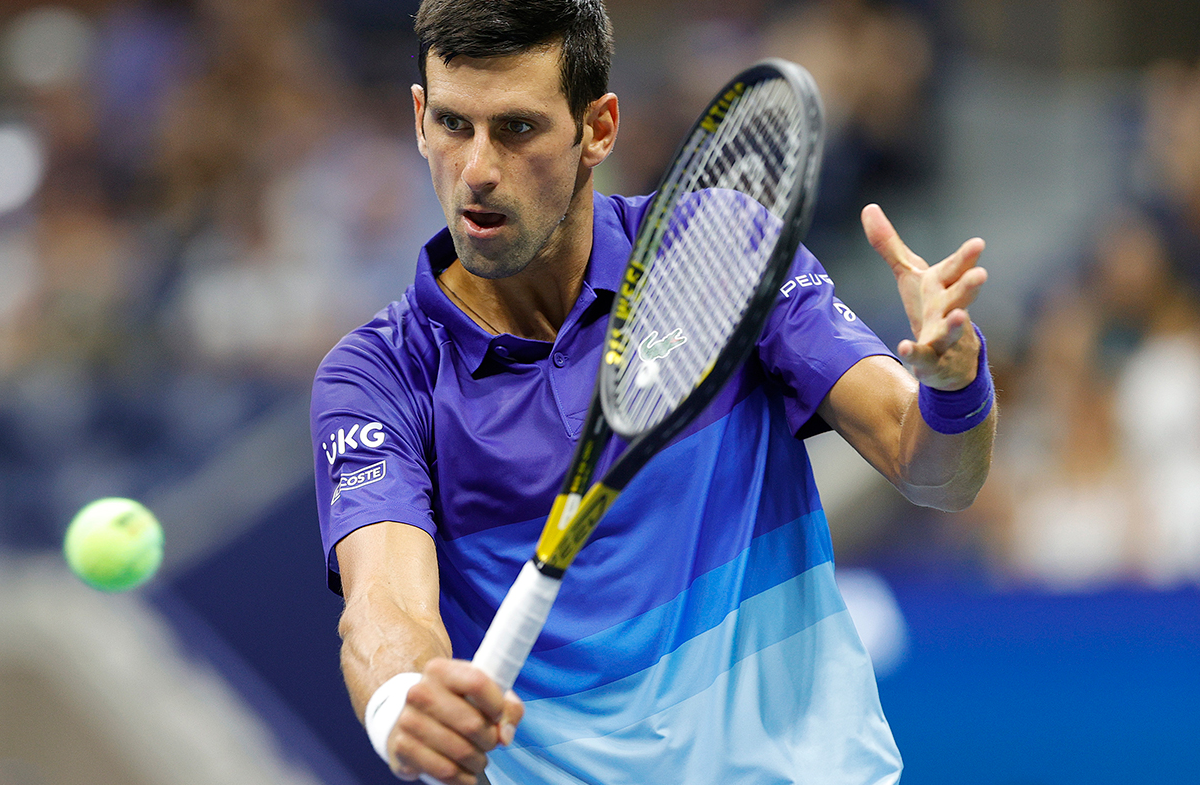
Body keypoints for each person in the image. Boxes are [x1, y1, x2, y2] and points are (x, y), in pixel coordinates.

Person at [310, 1, 996, 783]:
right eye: (454, 125)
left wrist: (950, 385)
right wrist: (403, 699)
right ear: (419, 116)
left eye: (518, 129)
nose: (477, 170)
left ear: (598, 129)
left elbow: (939, 472)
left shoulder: (720, 252)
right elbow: (384, 603)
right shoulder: (376, 376)